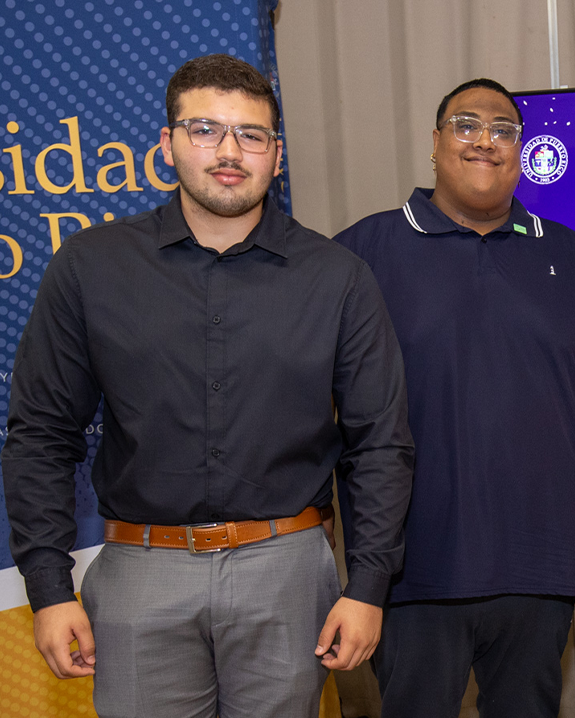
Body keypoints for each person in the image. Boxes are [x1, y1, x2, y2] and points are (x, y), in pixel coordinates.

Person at [1, 54, 415, 717]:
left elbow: (380, 445)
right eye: (204, 130)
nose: (229, 152)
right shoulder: (92, 267)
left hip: (286, 569)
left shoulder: (338, 278)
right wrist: (50, 589)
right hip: (140, 569)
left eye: (251, 135)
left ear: (276, 156)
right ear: (167, 146)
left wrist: (367, 587)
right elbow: (42, 435)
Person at [333, 78, 575, 718]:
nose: (485, 141)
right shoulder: (363, 254)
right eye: (466, 125)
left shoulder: (570, 257)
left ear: (521, 153)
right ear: (436, 144)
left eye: (503, 130)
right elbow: (304, 397)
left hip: (540, 564)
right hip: (413, 568)